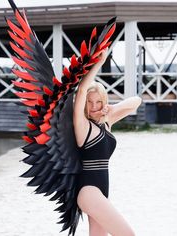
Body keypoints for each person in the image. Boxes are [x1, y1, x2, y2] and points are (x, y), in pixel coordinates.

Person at [73, 48, 142, 236]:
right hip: (88, 190)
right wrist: (98, 65)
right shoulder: (82, 125)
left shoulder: (106, 123)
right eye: (90, 102)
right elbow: (80, 91)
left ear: (104, 102)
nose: (94, 106)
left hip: (102, 190)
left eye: (98, 102)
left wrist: (112, 110)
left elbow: (136, 101)